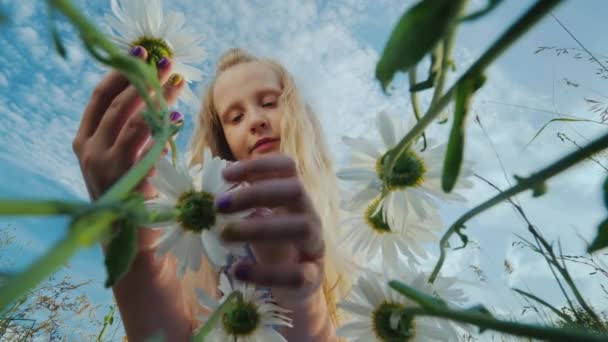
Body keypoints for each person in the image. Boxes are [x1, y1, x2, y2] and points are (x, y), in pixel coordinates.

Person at [72, 46, 350, 341]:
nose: (256, 120)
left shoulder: (343, 232)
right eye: (235, 117)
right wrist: (133, 248)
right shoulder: (202, 239)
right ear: (223, 139)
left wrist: (307, 305)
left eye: (269, 102)